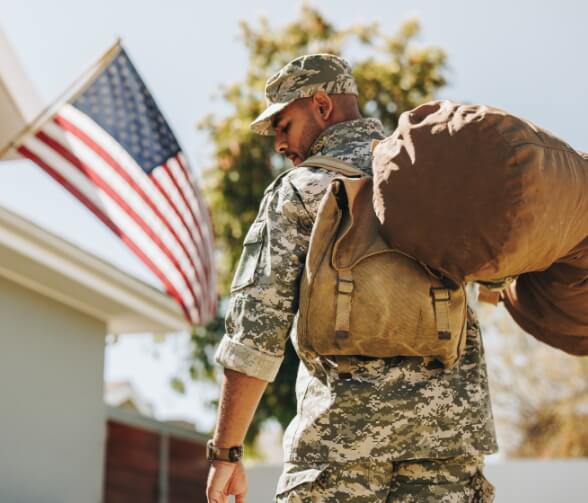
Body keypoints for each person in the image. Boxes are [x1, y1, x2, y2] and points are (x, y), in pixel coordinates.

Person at [205, 53, 498, 503]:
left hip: (339, 448)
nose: (280, 145)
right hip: (450, 447)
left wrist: (226, 451)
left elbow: (255, 332)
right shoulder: (436, 180)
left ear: (322, 106)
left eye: (284, 126)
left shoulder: (300, 190)